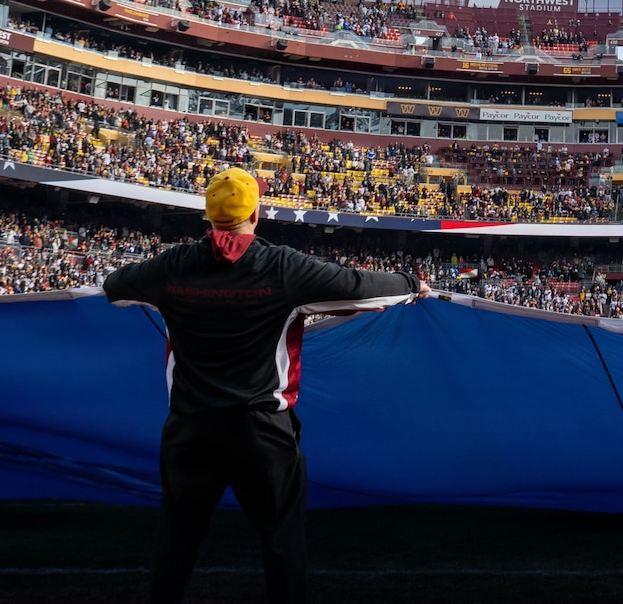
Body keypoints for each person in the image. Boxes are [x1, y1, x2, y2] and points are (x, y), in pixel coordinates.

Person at [104, 167, 430, 604]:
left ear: (208, 215)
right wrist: (411, 285)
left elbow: (115, 288)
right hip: (261, 430)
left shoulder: (172, 266)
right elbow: (360, 288)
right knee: (282, 541)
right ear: (255, 213)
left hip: (190, 427)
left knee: (176, 542)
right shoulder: (283, 267)